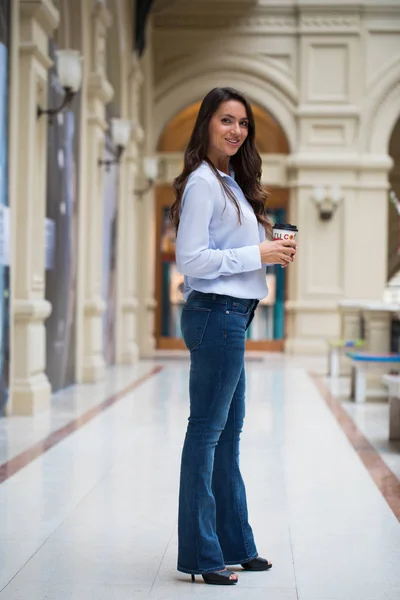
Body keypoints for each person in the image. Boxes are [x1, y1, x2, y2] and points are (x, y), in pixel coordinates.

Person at [170, 87, 297, 586]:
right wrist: (257, 256)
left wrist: (269, 251)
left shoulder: (230, 183)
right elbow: (192, 261)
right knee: (206, 433)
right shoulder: (203, 183)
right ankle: (203, 556)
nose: (236, 131)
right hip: (214, 314)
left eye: (242, 123)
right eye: (226, 120)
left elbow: (231, 253)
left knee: (227, 436)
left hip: (233, 315)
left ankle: (235, 544)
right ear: (206, 124)